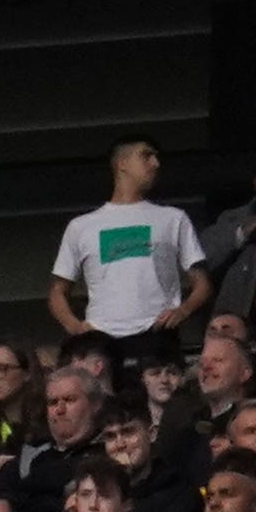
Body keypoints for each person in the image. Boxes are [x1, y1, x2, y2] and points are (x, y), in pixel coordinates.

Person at [48, 142, 213, 365]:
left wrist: (183, 311)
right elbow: (58, 291)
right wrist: (75, 327)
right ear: (122, 163)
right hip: (101, 338)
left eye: (156, 157)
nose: (156, 163)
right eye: (146, 156)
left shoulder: (174, 218)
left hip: (158, 332)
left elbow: (202, 283)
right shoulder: (81, 226)